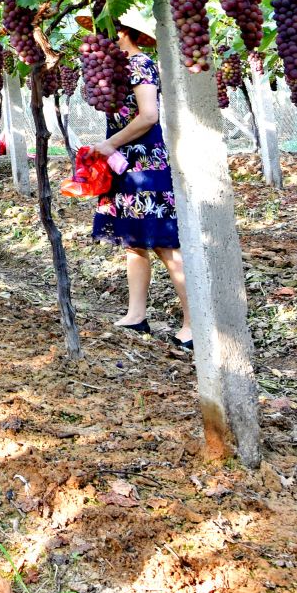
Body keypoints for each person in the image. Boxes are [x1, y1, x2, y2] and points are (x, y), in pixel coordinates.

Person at [87, 21, 191, 349]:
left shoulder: (141, 65)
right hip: (124, 163)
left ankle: (193, 324)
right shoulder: (113, 67)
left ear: (123, 33)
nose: (99, 37)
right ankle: (136, 316)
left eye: (106, 30)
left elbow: (148, 115)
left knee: (163, 243)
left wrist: (109, 145)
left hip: (145, 162)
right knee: (133, 241)